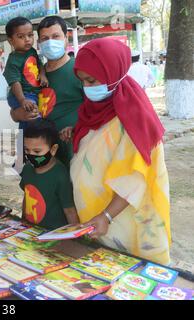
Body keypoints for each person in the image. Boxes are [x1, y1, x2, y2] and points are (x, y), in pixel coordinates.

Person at [61, 38, 170, 265]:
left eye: (92, 80)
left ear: (114, 73)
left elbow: (135, 177)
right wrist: (77, 133)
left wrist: (107, 215)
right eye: (83, 82)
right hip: (99, 219)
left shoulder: (134, 118)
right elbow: (98, 138)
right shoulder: (94, 108)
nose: (88, 88)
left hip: (123, 219)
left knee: (130, 276)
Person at [11, 16, 84, 169]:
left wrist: (76, 128)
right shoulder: (32, 72)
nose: (50, 42)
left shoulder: (80, 70)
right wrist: (19, 114)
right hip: (40, 155)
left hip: (73, 154)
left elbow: (96, 110)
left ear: (66, 38)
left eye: (56, 36)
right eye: (45, 38)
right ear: (39, 43)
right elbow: (14, 112)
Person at [20, 119, 79, 230]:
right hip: (30, 232)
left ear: (53, 149)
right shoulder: (27, 168)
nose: (31, 155)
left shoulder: (60, 175)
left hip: (54, 235)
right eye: (27, 150)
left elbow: (70, 211)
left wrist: (76, 239)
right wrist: (22, 222)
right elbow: (26, 196)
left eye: (37, 152)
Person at [3, 17, 46, 129]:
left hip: (32, 94)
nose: (27, 39)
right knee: (30, 117)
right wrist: (22, 100)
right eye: (21, 37)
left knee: (34, 118)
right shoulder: (13, 61)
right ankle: (24, 143)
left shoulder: (32, 51)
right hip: (21, 95)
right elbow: (14, 83)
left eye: (30, 35)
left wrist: (42, 74)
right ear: (11, 41)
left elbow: (39, 64)